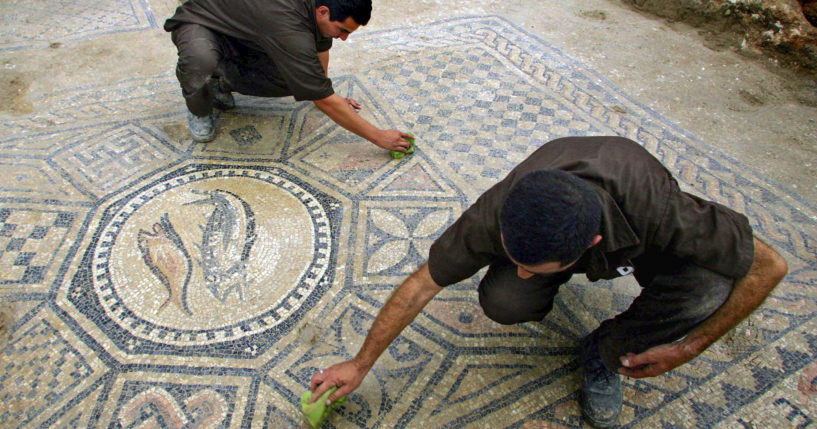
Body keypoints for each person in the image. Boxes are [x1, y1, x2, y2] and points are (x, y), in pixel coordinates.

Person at [308, 136, 788, 428]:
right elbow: (419, 286)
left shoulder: (662, 210)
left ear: (590, 246)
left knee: (707, 287)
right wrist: (361, 363)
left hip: (639, 226)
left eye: (531, 266)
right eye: (514, 257)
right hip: (569, 220)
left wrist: (689, 347)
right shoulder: (496, 214)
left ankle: (604, 352)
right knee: (505, 299)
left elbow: (771, 266)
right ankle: (543, 287)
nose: (517, 268)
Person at [164, 0, 413, 150]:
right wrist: (378, 136)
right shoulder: (288, 24)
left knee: (295, 78)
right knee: (201, 60)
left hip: (248, 31)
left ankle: (220, 80)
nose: (345, 37)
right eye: (343, 30)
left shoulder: (317, 9)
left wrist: (327, 90)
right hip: (202, 21)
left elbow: (318, 53)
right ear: (324, 12)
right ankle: (201, 100)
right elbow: (321, 98)